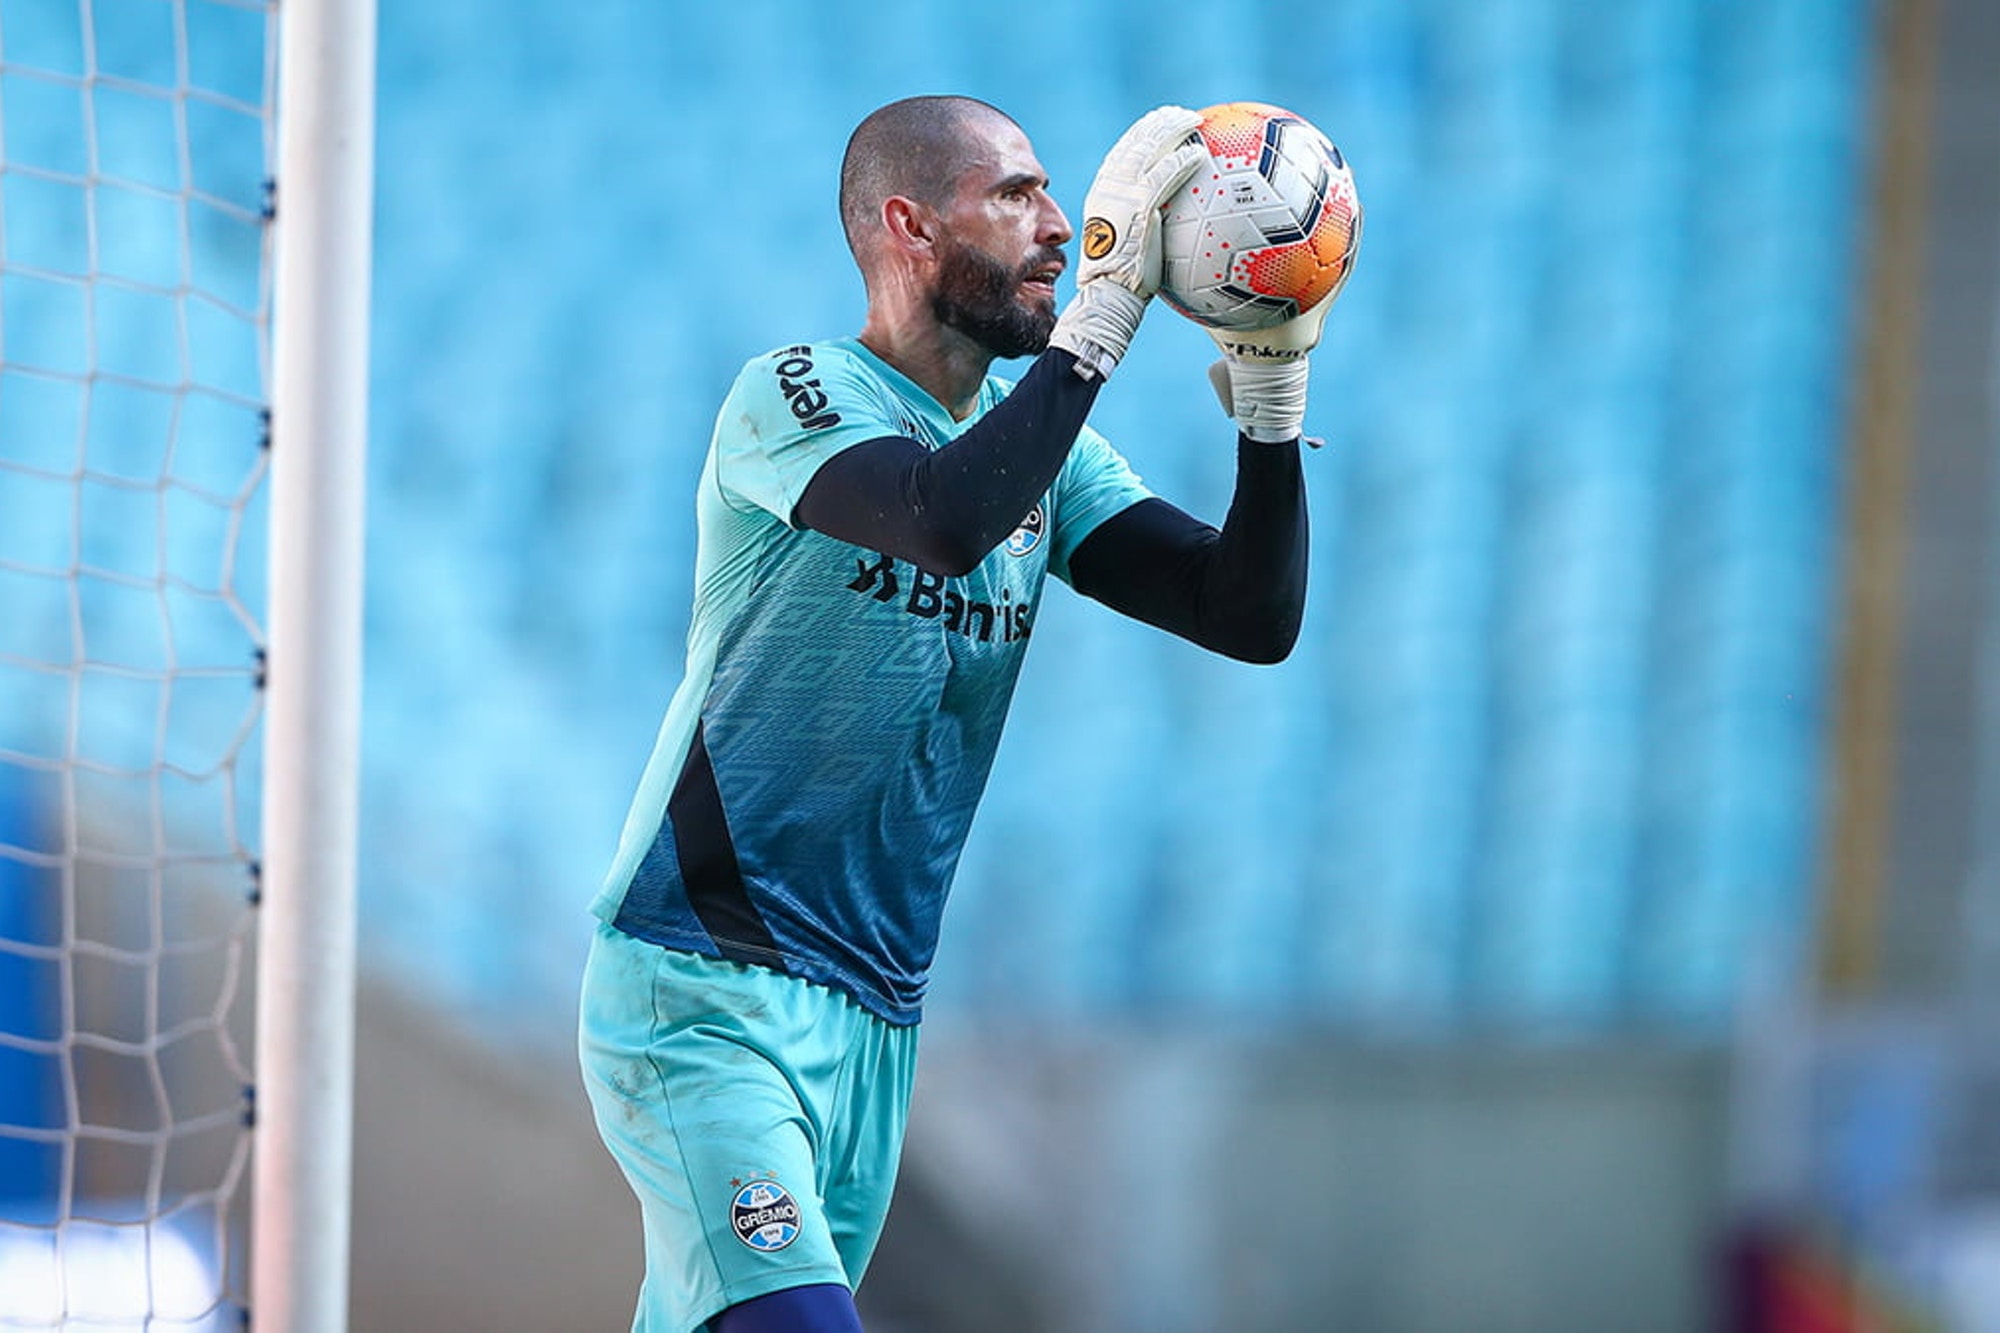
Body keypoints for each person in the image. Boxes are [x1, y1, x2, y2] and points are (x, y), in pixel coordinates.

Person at [578, 95, 1351, 1333]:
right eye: (1015, 194)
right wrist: (1100, 319)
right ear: (910, 226)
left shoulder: (1039, 462)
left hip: (874, 1013)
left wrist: (1272, 395)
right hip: (704, 987)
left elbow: (1246, 614)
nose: (1060, 227)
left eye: (1051, 195)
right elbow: (938, 520)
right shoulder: (792, 393)